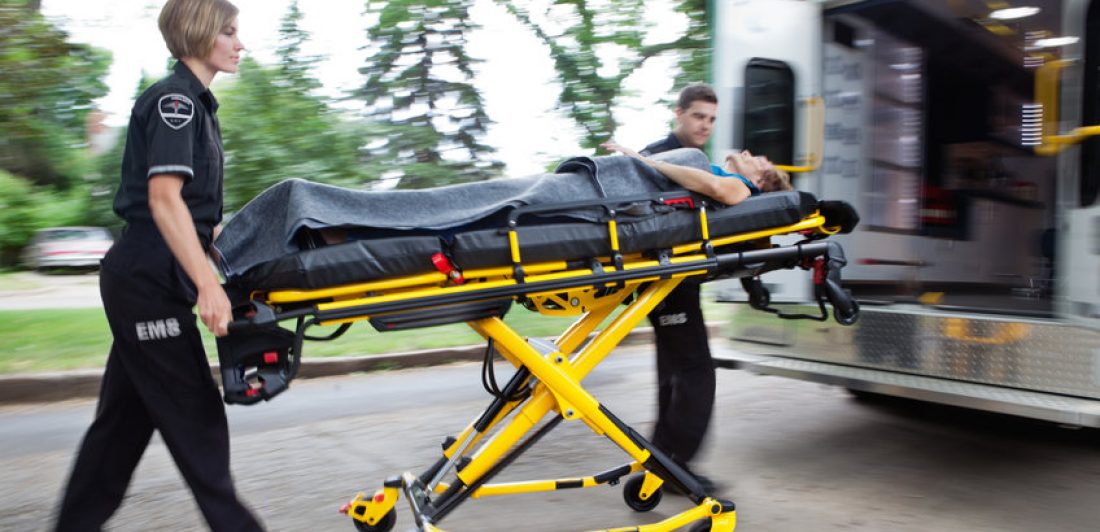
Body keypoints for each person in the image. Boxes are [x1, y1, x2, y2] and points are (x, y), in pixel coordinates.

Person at [54, 1, 263, 531]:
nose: (240, 44)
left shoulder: (199, 107)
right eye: (229, 32)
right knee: (195, 417)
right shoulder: (176, 103)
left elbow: (198, 218)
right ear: (200, 34)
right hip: (148, 279)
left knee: (121, 428)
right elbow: (164, 200)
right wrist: (208, 286)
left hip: (151, 278)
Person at [601, 83, 790, 495]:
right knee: (695, 373)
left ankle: (663, 460)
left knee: (674, 374)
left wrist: (753, 280)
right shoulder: (664, 156)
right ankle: (677, 466)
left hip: (679, 280)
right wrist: (637, 158)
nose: (706, 125)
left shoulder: (699, 163)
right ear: (679, 114)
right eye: (698, 116)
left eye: (712, 119)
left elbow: (731, 229)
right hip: (665, 280)